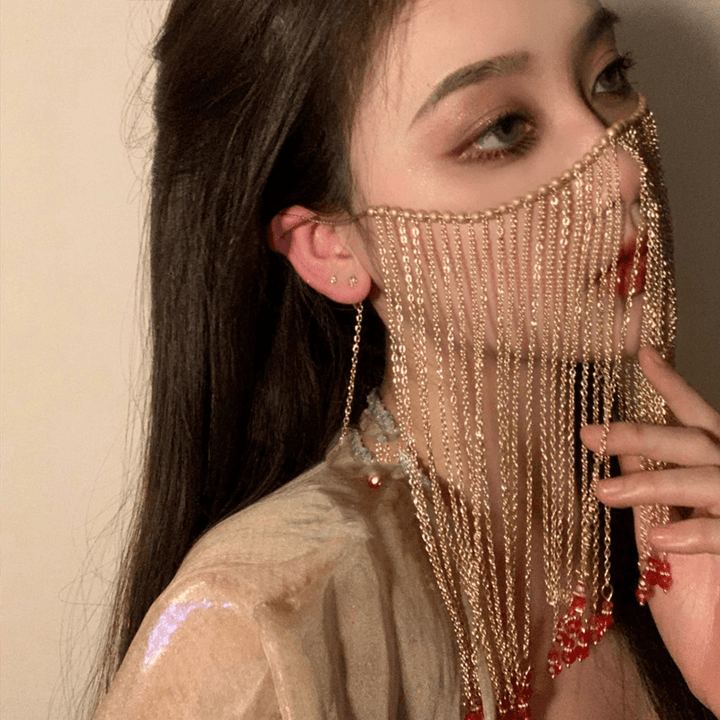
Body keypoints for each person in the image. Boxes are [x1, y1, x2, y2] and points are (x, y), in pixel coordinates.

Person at [85, 0, 720, 718]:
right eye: (503, 130)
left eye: (608, 76)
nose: (622, 170)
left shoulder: (677, 532)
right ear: (331, 246)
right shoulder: (258, 631)